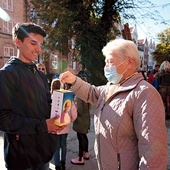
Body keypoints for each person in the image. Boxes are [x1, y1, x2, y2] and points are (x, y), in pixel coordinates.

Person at [60, 39, 168, 170]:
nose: (106, 67)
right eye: (106, 63)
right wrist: (74, 81)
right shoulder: (111, 86)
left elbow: (153, 152)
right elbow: (92, 92)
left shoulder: (145, 93)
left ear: (129, 62)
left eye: (110, 62)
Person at [0, 22, 64, 170]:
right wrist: (43, 125)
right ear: (18, 42)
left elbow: (47, 104)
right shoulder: (7, 74)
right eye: (33, 43)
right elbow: (3, 118)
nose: (38, 49)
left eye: (40, 44)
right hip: (21, 160)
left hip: (43, 154)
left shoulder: (40, 75)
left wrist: (60, 116)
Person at [50, 79, 77, 170]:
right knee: (64, 145)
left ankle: (57, 165)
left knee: (56, 147)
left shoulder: (50, 99)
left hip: (54, 128)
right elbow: (74, 114)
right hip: (65, 127)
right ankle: (63, 163)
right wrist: (69, 121)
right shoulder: (68, 98)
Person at [71, 77, 91, 165]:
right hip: (86, 120)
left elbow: (78, 110)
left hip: (80, 122)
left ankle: (80, 158)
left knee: (81, 139)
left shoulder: (79, 96)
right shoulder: (86, 94)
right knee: (84, 137)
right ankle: (86, 153)